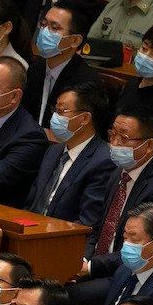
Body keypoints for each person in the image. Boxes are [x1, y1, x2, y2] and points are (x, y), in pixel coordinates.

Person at [80, 107, 153, 289]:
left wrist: (91, 267)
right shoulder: (118, 173)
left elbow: (146, 251)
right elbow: (98, 228)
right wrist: (84, 259)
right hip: (99, 266)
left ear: (149, 146)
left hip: (129, 275)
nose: (114, 143)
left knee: (65, 295)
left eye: (124, 138)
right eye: (113, 134)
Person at [27, 80, 115, 223]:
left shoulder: (104, 161)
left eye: (61, 111)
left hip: (61, 239)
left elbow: (87, 221)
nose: (55, 117)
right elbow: (31, 204)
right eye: (54, 110)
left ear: (84, 118)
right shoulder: (53, 151)